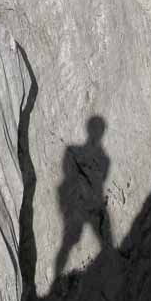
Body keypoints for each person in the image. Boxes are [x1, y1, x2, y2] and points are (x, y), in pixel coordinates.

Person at [53, 115, 111, 279]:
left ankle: (58, 278)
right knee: (69, 243)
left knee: (68, 244)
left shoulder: (99, 157)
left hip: (85, 200)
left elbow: (69, 172)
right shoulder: (103, 159)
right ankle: (58, 277)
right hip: (83, 200)